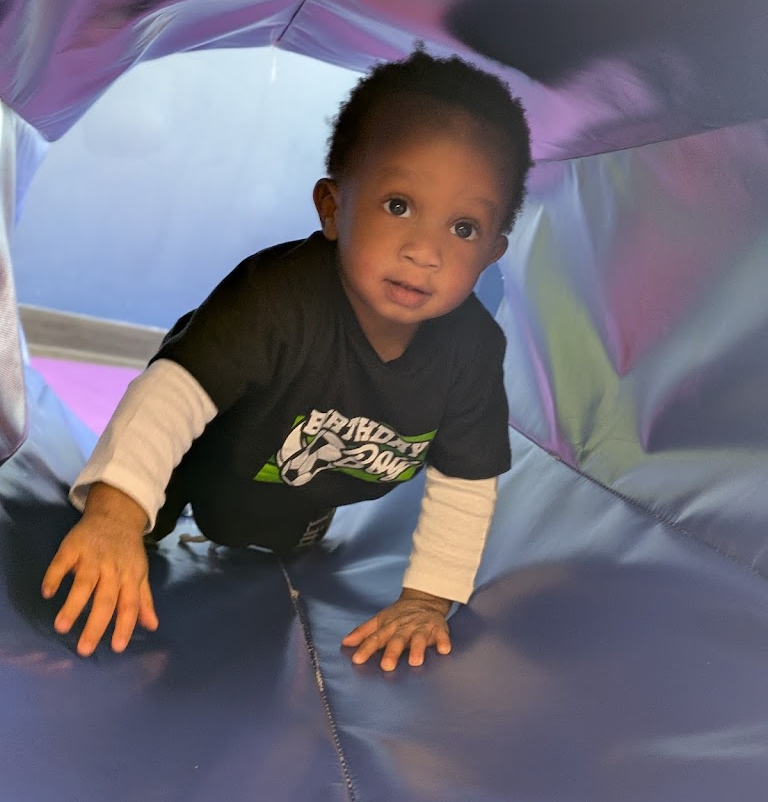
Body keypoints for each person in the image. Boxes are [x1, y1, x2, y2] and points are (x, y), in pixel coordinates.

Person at [41, 46, 533, 670]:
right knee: (127, 525)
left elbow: (466, 481)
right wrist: (115, 515)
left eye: (463, 228)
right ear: (334, 207)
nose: (424, 251)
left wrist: (427, 601)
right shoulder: (275, 298)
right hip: (197, 450)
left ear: (491, 253)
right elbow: (173, 394)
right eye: (399, 205)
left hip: (298, 493)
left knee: (272, 555)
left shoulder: (473, 351)